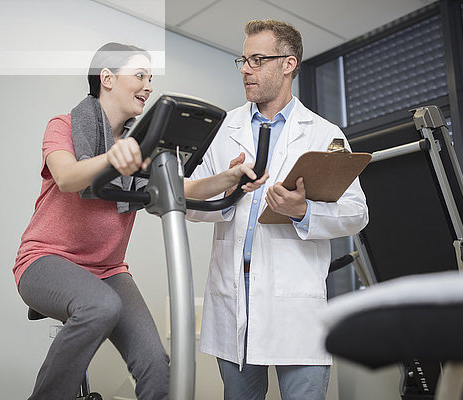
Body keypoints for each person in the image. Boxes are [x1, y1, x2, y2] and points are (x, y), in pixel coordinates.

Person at [13, 42, 267, 400]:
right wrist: (113, 159)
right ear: (107, 78)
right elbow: (68, 176)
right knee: (101, 305)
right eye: (140, 75)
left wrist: (229, 179)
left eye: (151, 78)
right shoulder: (64, 125)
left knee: (156, 368)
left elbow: (184, 187)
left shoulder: (142, 146)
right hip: (43, 261)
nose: (149, 85)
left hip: (109, 270)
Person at [187, 20, 369, 400]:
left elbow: (356, 213)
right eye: (243, 59)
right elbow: (190, 204)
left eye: (257, 59)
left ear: (288, 64)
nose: (245, 69)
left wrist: (304, 211)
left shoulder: (323, 133)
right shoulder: (224, 129)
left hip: (294, 303)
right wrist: (228, 188)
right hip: (234, 295)